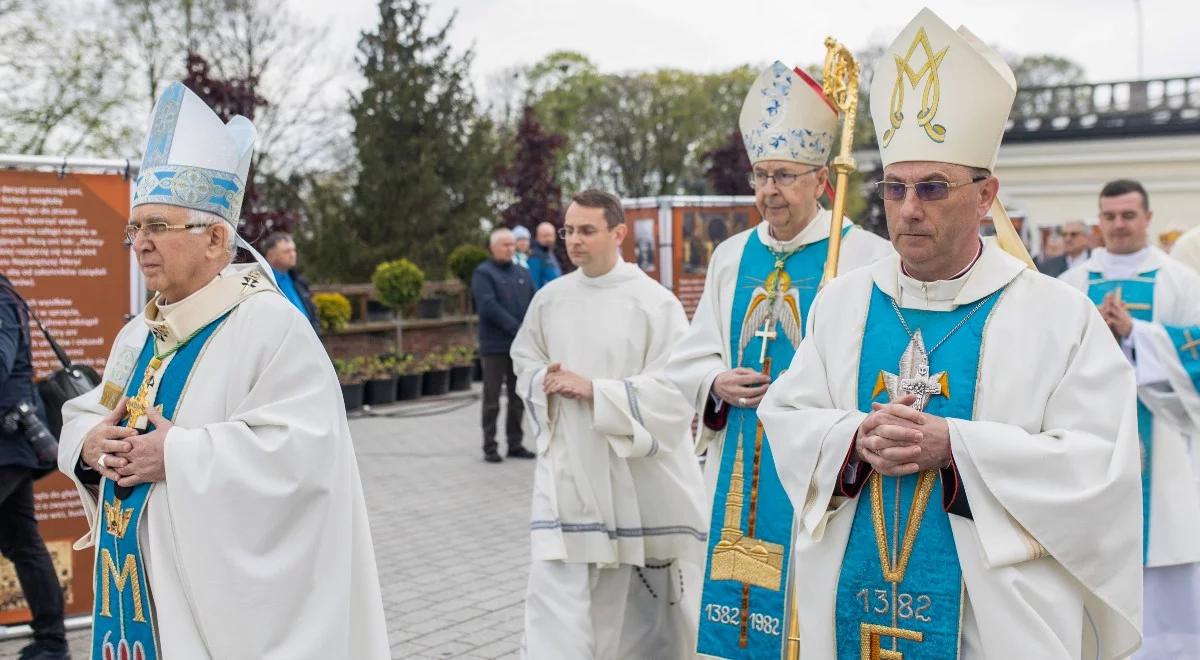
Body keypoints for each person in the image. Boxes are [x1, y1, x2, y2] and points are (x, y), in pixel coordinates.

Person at [757, 9, 1142, 659]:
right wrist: (852, 436)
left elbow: (1097, 463)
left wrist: (957, 446)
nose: (909, 208)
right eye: (897, 188)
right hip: (857, 601)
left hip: (993, 620)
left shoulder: (1056, 315)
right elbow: (787, 415)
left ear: (985, 194)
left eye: (933, 188)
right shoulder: (844, 302)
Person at [57, 82, 389, 659]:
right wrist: (89, 441)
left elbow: (304, 456)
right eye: (135, 229)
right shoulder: (139, 334)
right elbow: (92, 406)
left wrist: (178, 455)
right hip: (138, 587)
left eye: (158, 226)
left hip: (217, 610)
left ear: (216, 239)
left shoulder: (269, 326)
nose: (140, 244)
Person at [665, 60, 891, 658]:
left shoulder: (863, 254)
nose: (770, 191)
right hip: (741, 449)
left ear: (821, 180)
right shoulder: (732, 257)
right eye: (762, 176)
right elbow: (695, 350)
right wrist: (715, 379)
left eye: (785, 176)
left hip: (818, 460)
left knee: (809, 604)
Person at [512, 190, 707, 659]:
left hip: (633, 478)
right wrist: (544, 379)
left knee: (639, 612)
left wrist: (598, 391)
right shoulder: (549, 299)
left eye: (586, 230)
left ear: (618, 233)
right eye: (568, 230)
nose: (573, 241)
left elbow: (674, 391)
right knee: (557, 592)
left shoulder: (653, 303)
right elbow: (524, 362)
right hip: (569, 474)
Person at [1060, 179, 1200, 656]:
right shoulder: (1072, 285)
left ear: (1148, 218)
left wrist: (1136, 331)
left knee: (1165, 571)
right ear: (1100, 220)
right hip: (1092, 441)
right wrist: (1095, 335)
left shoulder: (1181, 281)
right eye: (1110, 216)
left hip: (1164, 445)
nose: (1118, 225)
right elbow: (1049, 359)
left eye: (1128, 216)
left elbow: (1196, 353)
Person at [0, 275, 69, 660]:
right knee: (23, 542)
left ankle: (52, 642)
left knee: (23, 543)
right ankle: (52, 642)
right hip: (9, 445)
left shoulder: (0, 300)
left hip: (7, 444)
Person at [472, 228, 536, 462]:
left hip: (519, 348)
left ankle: (515, 443)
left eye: (512, 244)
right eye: (505, 245)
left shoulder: (522, 273)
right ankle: (490, 446)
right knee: (491, 400)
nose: (510, 248)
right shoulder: (483, 273)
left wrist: (530, 330)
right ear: (492, 247)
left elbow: (533, 302)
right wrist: (516, 328)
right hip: (495, 347)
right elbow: (488, 307)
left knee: (517, 398)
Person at [261, 231, 319, 333]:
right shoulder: (263, 283)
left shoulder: (298, 281)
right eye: (286, 251)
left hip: (309, 340)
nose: (292, 255)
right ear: (270, 255)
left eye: (293, 250)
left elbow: (312, 311)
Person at [528, 221, 563, 289]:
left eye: (551, 235)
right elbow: (534, 283)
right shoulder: (535, 256)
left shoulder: (549, 253)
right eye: (545, 236)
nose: (548, 239)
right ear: (537, 237)